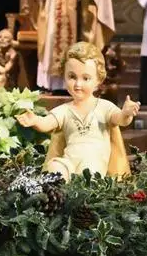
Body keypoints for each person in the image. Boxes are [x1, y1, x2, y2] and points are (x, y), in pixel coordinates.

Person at [16, 41, 139, 180]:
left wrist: (126, 113)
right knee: (54, 167)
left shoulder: (104, 107)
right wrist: (35, 120)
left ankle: (83, 194)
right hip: (69, 162)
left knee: (89, 173)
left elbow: (120, 120)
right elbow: (47, 123)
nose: (78, 84)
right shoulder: (65, 110)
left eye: (86, 78)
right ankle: (60, 194)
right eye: (72, 77)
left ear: (99, 80)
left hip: (93, 164)